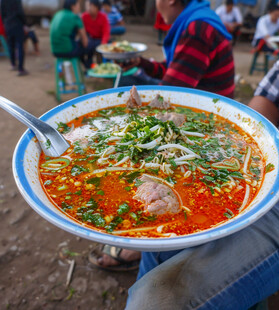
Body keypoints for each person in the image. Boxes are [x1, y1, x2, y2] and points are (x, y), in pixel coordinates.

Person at [125, 25, 279, 310]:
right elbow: (269, 96)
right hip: (263, 160)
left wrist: (259, 167)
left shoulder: (197, 28)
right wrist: (242, 139)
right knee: (157, 233)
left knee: (154, 302)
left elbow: (175, 81)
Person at [89, 0, 235, 271]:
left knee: (154, 160)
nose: (156, 5)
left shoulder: (197, 28)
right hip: (202, 114)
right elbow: (175, 70)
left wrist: (139, 105)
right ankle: (143, 243)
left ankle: (144, 246)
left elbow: (172, 91)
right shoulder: (196, 20)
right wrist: (143, 64)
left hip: (209, 126)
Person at [50, 0, 92, 69]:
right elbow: (85, 42)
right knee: (90, 46)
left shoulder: (57, 14)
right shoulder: (75, 17)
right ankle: (89, 68)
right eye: (78, 5)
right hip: (68, 50)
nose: (79, 7)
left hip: (54, 51)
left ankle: (86, 67)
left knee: (78, 43)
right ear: (73, 6)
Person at [0, 0, 28, 76]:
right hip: (17, 24)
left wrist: (5, 23)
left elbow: (2, 13)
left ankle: (13, 64)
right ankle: (21, 69)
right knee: (20, 46)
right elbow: (20, 12)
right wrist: (25, 23)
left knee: (10, 45)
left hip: (8, 24)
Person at [81, 0, 110, 66]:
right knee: (85, 47)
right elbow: (81, 31)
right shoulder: (84, 16)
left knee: (101, 48)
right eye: (88, 6)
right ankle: (88, 66)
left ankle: (101, 66)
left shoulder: (103, 17)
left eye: (91, 6)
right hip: (90, 39)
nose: (88, 8)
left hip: (100, 39)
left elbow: (106, 32)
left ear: (97, 8)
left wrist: (103, 43)